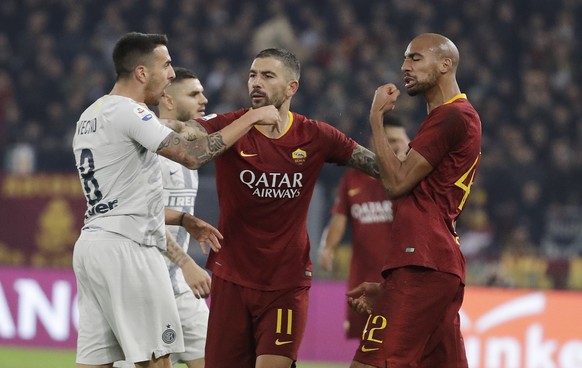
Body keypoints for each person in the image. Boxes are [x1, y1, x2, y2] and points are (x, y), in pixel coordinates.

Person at [72, 32, 279, 368]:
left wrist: (184, 219)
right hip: (132, 247)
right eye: (166, 65)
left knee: (95, 362)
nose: (170, 74)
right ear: (141, 73)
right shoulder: (130, 113)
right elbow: (193, 155)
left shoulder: (90, 116)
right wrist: (251, 118)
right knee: (157, 360)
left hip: (93, 246)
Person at [175, 48, 379, 368]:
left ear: (291, 87)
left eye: (268, 76)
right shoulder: (231, 125)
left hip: (287, 282)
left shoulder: (315, 136)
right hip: (232, 278)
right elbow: (192, 148)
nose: (256, 82)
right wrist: (250, 118)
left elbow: (379, 167)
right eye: (253, 75)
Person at [347, 33, 482, 368]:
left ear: (445, 64)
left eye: (415, 58)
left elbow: (395, 183)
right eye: (405, 59)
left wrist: (376, 119)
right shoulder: (450, 118)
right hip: (434, 265)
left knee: (368, 365)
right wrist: (390, 287)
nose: (404, 66)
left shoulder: (452, 116)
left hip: (422, 262)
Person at [114, 67, 210, 368]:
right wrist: (187, 262)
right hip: (144, 285)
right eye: (194, 94)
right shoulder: (147, 149)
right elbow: (145, 217)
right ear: (167, 97)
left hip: (182, 289)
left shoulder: (186, 149)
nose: (204, 99)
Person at [318, 115, 410, 340]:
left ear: (408, 142)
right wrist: (327, 248)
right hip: (363, 279)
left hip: (401, 279)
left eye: (398, 140)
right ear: (374, 142)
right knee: (367, 343)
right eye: (387, 140)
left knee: (400, 343)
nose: (393, 145)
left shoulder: (412, 179)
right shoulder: (353, 179)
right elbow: (339, 218)